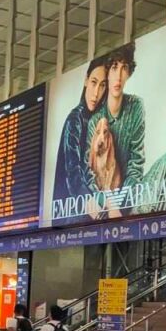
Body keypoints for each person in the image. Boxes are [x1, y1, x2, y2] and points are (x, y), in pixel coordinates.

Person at [85, 43, 166, 219]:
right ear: (107, 72)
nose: (118, 76)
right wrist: (108, 201)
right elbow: (90, 173)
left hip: (130, 197)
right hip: (104, 203)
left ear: (129, 73)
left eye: (124, 68)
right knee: (92, 202)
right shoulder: (95, 120)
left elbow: (136, 166)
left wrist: (120, 201)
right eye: (114, 67)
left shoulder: (136, 106)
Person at [51, 56, 108, 225]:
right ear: (85, 81)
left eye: (102, 85)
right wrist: (96, 209)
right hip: (70, 215)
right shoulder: (75, 120)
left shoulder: (98, 119)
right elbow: (73, 175)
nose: (96, 92)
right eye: (93, 82)